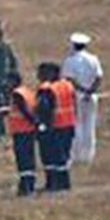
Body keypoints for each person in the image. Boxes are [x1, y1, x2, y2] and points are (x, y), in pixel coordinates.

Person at [62, 32, 103, 164]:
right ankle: (88, 155)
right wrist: (91, 91)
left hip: (77, 96)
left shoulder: (70, 61)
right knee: (90, 125)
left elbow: (69, 80)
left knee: (77, 124)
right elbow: (98, 77)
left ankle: (77, 155)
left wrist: (82, 91)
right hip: (92, 96)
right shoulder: (93, 59)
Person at [35, 62, 74, 192]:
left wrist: (43, 125)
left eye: (41, 73)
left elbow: (44, 108)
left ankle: (53, 184)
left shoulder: (47, 88)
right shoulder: (68, 85)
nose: (39, 76)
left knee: (51, 157)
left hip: (54, 125)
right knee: (64, 156)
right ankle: (64, 183)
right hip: (69, 124)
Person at [5, 70, 39, 196]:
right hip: (28, 130)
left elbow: (25, 112)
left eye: (8, 81)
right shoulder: (28, 92)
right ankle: (30, 184)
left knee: (23, 160)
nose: (6, 84)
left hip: (21, 131)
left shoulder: (17, 95)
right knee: (29, 159)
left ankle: (26, 187)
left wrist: (34, 122)